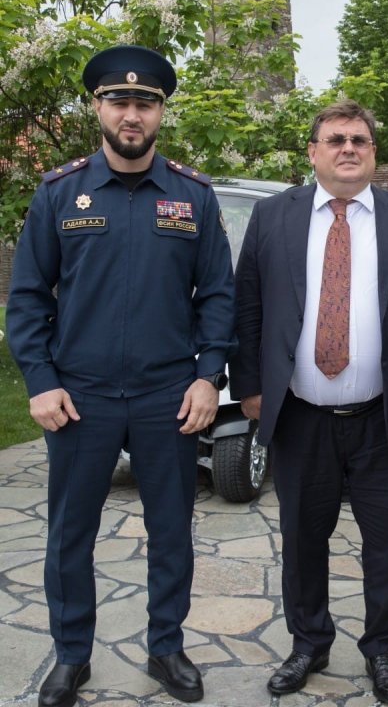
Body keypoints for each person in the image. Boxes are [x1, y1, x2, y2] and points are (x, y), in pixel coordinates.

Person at [6, 45, 236, 707]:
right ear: (98, 108)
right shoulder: (59, 194)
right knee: (69, 536)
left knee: (171, 533)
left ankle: (166, 647)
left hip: (170, 396)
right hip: (80, 397)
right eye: (119, 102)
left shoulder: (192, 197)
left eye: (144, 103)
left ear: (160, 112)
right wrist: (40, 380)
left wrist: (208, 376)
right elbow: (27, 298)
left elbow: (218, 295)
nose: (131, 115)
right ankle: (71, 655)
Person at [229, 99, 388, 705]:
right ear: (313, 152)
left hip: (383, 417)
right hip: (301, 417)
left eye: (359, 140)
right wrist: (250, 385)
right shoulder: (273, 215)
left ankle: (381, 649)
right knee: (303, 539)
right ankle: (309, 643)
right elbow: (248, 304)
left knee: (387, 542)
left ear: (373, 152)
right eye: (335, 139)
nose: (348, 148)